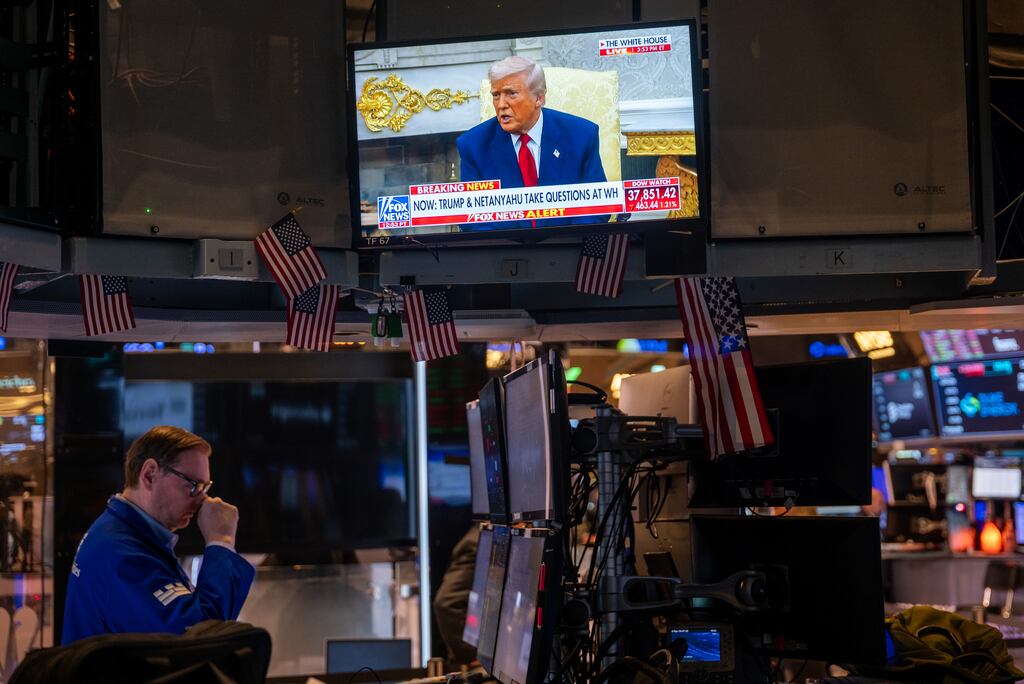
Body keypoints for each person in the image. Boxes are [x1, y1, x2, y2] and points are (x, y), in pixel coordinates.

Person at [62, 426, 255, 644]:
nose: (201, 499)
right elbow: (199, 638)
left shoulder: (125, 532)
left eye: (204, 487)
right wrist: (221, 541)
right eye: (192, 485)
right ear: (150, 475)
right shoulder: (122, 554)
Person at [456, 55, 607, 230]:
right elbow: (474, 219)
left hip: (567, 247)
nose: (501, 104)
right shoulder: (473, 145)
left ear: (539, 98)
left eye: (511, 93)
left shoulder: (581, 135)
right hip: (505, 251)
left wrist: (565, 244)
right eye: (496, 95)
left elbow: (596, 207)